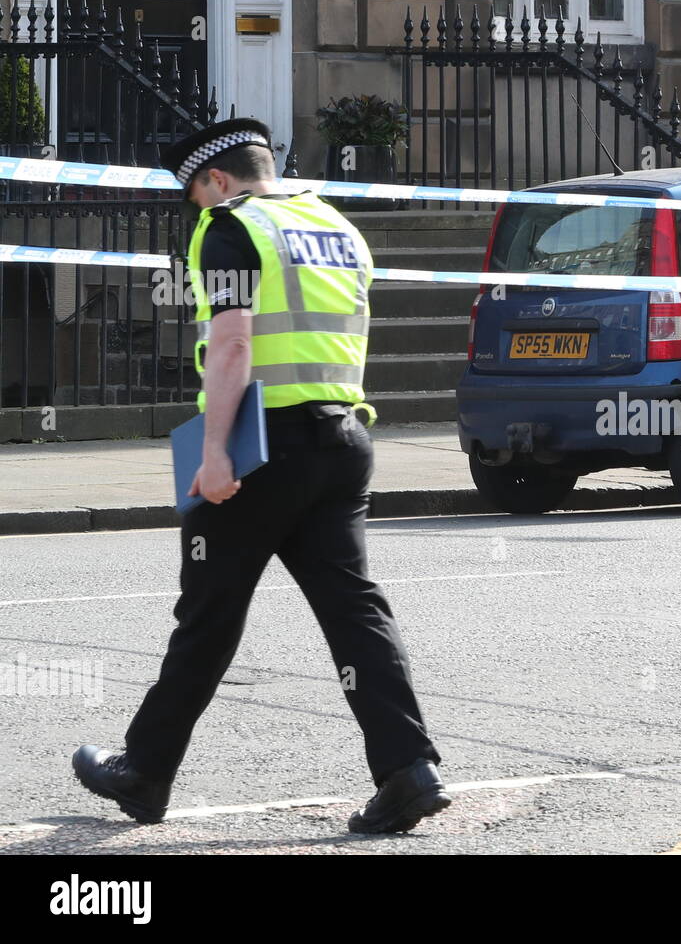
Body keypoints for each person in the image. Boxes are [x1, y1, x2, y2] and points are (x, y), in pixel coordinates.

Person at [71, 118, 450, 834]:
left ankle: (144, 772)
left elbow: (234, 339)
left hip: (260, 449)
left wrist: (215, 453)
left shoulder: (230, 227)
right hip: (343, 438)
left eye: (196, 195)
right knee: (355, 612)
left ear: (217, 180)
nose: (196, 209)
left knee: (208, 618)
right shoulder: (336, 227)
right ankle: (408, 769)